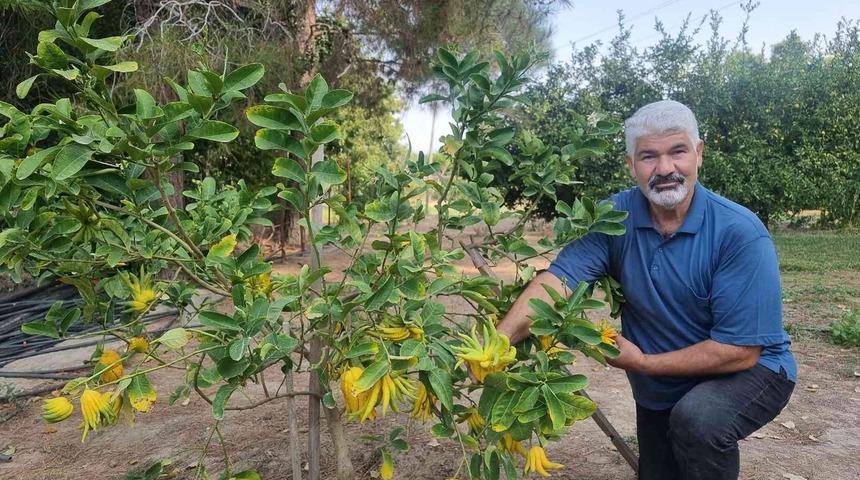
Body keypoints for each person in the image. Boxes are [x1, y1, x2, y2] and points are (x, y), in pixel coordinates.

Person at [495, 100, 796, 480]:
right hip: (663, 380)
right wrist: (500, 342)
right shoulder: (613, 216)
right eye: (649, 156)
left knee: (699, 421)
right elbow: (558, 281)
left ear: (699, 154)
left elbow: (739, 351)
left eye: (678, 152)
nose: (665, 168)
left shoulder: (739, 232)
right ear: (631, 164)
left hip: (752, 369)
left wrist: (644, 363)